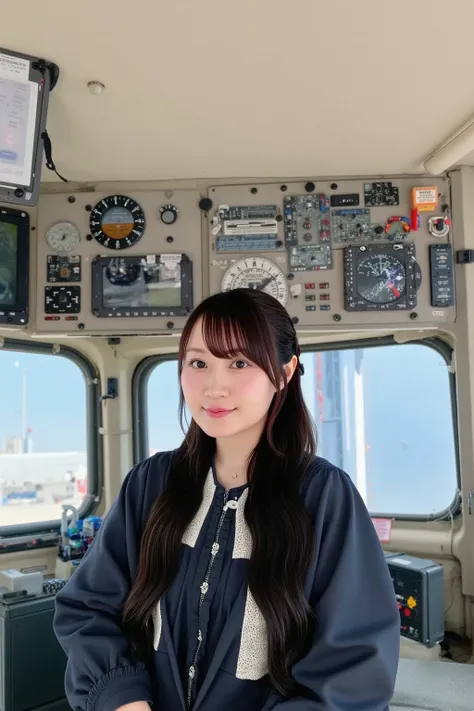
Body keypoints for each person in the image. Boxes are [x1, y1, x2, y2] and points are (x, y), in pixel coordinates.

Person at [53, 288, 400, 711]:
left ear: (285, 372)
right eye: (199, 363)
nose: (214, 387)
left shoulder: (324, 497)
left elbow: (353, 670)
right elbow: (87, 610)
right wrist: (123, 701)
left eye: (239, 363)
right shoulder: (150, 484)